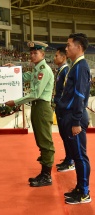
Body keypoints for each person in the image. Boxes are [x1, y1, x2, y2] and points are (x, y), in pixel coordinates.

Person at [5, 41, 55, 187]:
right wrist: (14, 69)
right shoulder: (36, 69)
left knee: (45, 141)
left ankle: (47, 176)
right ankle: (44, 172)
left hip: (42, 107)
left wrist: (15, 101)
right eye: (31, 53)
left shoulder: (44, 70)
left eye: (35, 53)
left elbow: (35, 93)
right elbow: (26, 77)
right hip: (37, 107)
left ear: (43, 54)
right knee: (41, 140)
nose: (32, 55)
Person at [58, 33, 91, 204]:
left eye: (69, 44)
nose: (66, 48)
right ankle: (79, 187)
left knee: (80, 156)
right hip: (70, 115)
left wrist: (77, 121)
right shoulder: (76, 65)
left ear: (78, 47)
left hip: (74, 116)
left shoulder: (81, 66)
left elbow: (79, 95)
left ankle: (85, 193)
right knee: (77, 155)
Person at [53, 47, 75, 172]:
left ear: (63, 57)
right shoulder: (60, 70)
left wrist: (61, 105)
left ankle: (70, 161)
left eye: (57, 56)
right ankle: (68, 158)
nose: (54, 58)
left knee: (67, 135)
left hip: (63, 108)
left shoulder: (66, 70)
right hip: (59, 107)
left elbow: (66, 92)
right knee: (63, 135)